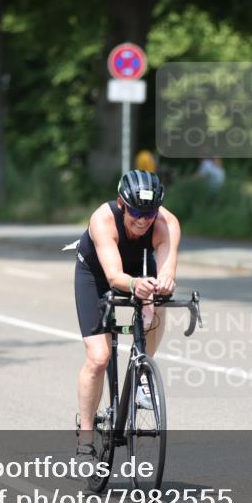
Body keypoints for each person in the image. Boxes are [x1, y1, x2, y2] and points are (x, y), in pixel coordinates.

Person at [72, 170, 181, 464]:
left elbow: (168, 270)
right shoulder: (102, 219)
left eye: (149, 212)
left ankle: (143, 371)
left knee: (159, 299)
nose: (143, 219)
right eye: (135, 211)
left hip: (138, 269)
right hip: (97, 274)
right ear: (122, 204)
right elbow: (113, 276)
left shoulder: (166, 224)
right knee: (99, 357)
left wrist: (164, 283)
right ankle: (85, 436)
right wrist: (135, 285)